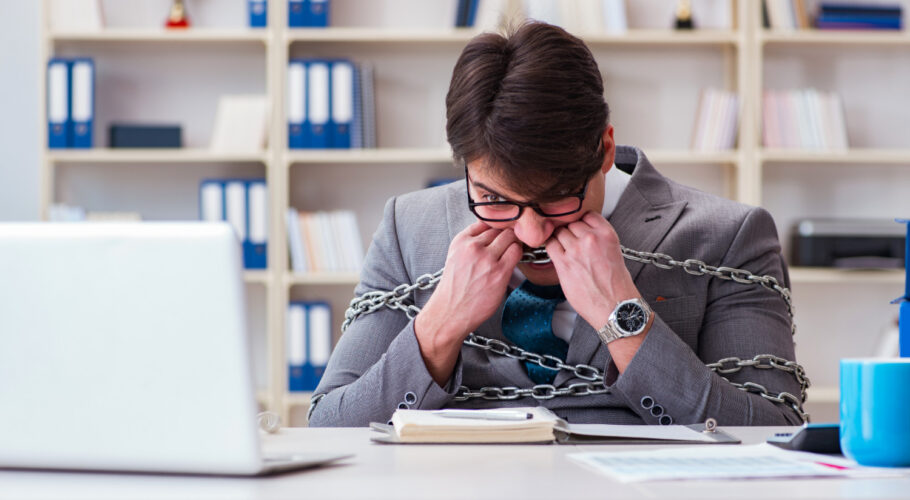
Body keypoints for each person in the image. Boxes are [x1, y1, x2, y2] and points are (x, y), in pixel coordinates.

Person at [307, 22, 808, 427]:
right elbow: (330, 424)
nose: (531, 234)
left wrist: (622, 317)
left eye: (557, 199)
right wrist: (439, 326)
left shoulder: (729, 235)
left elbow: (770, 427)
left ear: (605, 150)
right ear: (466, 167)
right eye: (493, 198)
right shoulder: (408, 226)